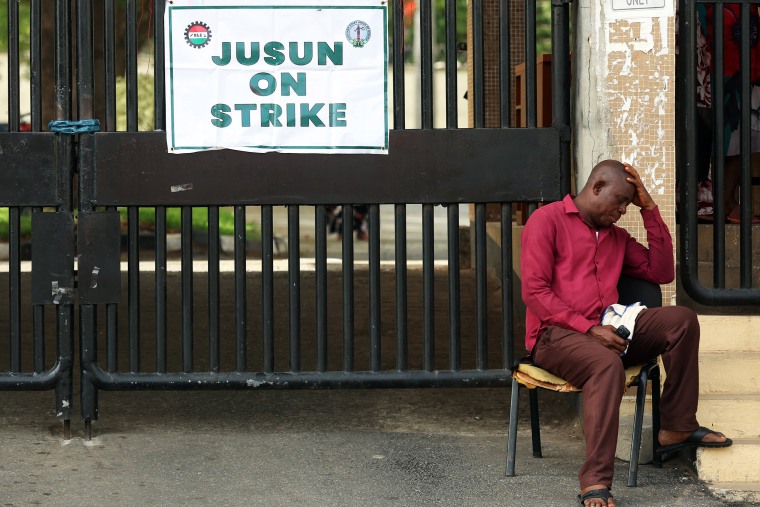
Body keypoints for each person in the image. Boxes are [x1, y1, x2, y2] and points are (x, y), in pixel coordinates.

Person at [520, 160, 733, 507]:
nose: (622, 211)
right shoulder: (547, 221)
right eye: (619, 201)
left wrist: (650, 209)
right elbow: (535, 291)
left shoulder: (616, 237)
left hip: (611, 329)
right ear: (597, 185)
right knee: (606, 365)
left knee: (682, 320)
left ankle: (676, 426)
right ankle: (595, 482)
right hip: (555, 336)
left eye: (628, 205)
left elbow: (661, 271)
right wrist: (588, 328)